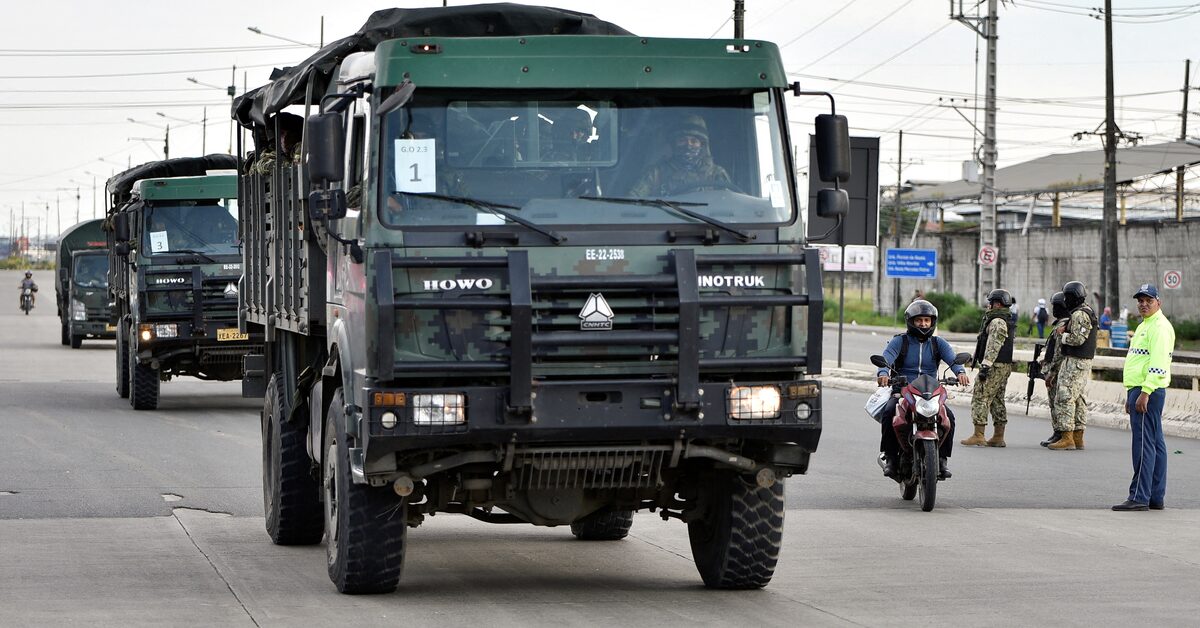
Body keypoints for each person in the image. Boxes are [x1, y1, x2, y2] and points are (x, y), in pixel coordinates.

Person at [874, 299, 970, 479]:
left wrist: (960, 372)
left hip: (930, 393)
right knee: (889, 413)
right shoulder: (899, 342)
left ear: (933, 322)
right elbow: (886, 358)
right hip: (903, 391)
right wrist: (883, 372)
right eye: (919, 320)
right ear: (911, 321)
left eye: (927, 320)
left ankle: (941, 459)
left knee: (949, 417)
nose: (923, 324)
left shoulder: (938, 343)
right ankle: (891, 458)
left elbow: (953, 359)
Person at [1113, 284, 1175, 511]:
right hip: (1139, 388)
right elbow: (1139, 361)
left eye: (1148, 300)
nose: (1143, 304)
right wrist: (1131, 392)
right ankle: (1154, 496)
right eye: (1140, 300)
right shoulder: (1145, 326)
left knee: (1143, 444)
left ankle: (1139, 496)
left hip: (1147, 390)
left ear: (1158, 302)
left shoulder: (1158, 327)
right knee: (1156, 443)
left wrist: (1144, 392)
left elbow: (1158, 364)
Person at [1047, 280, 1097, 451]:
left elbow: (1077, 339)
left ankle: (1067, 437)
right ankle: (1077, 437)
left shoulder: (1080, 315)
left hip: (1076, 361)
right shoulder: (1084, 312)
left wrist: (1062, 335)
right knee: (1077, 398)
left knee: (1065, 396)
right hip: (1078, 361)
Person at [628, 114, 731, 197]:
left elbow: (729, 206)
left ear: (702, 145)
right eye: (682, 140)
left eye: (694, 141)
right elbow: (632, 201)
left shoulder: (716, 173)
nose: (688, 145)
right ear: (673, 144)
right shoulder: (655, 173)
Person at [963, 288, 1015, 447]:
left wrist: (985, 366)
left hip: (994, 366)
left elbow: (994, 345)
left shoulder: (997, 321)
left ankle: (978, 435)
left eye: (990, 303)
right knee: (997, 400)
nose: (988, 306)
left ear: (997, 304)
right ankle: (998, 436)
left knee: (980, 396)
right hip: (1001, 365)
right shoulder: (1001, 319)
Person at [1038, 291, 1070, 447]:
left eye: (1056, 306)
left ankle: (1060, 433)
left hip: (1057, 371)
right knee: (1054, 402)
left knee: (1057, 403)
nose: (1053, 309)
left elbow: (1058, 352)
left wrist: (1051, 372)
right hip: (1054, 368)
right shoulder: (1060, 324)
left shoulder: (1064, 325)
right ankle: (1057, 432)